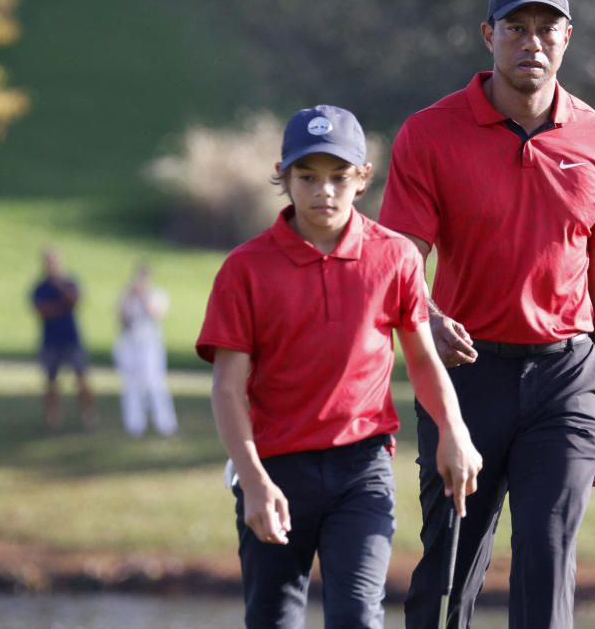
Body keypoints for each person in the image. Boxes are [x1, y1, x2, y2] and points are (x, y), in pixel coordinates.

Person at [378, 0, 595, 628]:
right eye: (516, 29)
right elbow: (401, 255)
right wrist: (427, 318)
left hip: (566, 376)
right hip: (465, 377)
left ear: (567, 38)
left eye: (546, 29)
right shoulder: (429, 135)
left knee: (546, 565)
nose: (532, 43)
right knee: (445, 578)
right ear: (488, 35)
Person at [196, 105, 482, 629]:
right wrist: (255, 481)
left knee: (356, 619)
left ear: (363, 178)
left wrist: (453, 431)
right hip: (275, 468)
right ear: (283, 177)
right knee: (273, 619)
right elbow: (228, 390)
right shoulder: (245, 269)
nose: (323, 191)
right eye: (307, 176)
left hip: (362, 469)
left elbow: (420, 356)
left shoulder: (394, 256)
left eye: (338, 176)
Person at [30, 245, 98, 431]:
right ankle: (53, 417)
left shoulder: (69, 282)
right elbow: (41, 311)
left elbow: (75, 301)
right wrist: (61, 307)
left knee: (82, 378)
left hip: (71, 338)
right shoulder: (40, 287)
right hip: (50, 340)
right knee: (51, 381)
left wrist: (59, 287)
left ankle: (88, 414)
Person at [113, 264, 177, 437]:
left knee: (155, 383)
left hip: (150, 345)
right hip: (130, 344)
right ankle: (134, 424)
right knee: (131, 384)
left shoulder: (157, 294)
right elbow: (120, 317)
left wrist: (143, 297)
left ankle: (164, 423)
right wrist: (129, 298)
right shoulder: (127, 295)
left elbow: (155, 313)